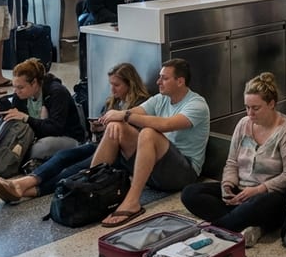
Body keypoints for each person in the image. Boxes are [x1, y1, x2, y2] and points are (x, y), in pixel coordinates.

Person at [0, 63, 149, 204]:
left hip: (119, 153)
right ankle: (22, 184)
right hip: (99, 143)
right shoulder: (113, 101)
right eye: (111, 84)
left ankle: (24, 189)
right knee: (62, 157)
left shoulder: (141, 104)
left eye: (117, 85)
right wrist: (97, 127)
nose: (112, 89)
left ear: (130, 84)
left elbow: (138, 136)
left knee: (72, 170)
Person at [180, 72, 286, 248]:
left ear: (271, 104)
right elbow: (232, 162)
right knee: (190, 193)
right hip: (242, 191)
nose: (250, 113)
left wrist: (258, 189)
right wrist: (228, 185)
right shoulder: (243, 124)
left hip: (270, 195)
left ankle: (217, 228)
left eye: (256, 108)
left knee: (259, 204)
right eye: (247, 107)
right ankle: (245, 225)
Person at [90, 58, 210, 227]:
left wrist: (123, 115)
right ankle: (91, 187)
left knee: (148, 133)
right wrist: (117, 119)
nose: (158, 82)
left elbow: (166, 125)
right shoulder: (160, 99)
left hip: (184, 174)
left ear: (180, 81)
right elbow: (132, 112)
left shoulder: (197, 104)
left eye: (164, 78)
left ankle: (132, 202)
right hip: (156, 169)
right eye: (159, 77)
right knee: (118, 127)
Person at [0, 58, 85, 161]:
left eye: (21, 87)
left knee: (39, 148)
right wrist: (5, 114)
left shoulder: (57, 93)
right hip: (38, 135)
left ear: (34, 83)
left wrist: (27, 118)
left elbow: (55, 128)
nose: (17, 91)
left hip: (66, 136)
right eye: (15, 87)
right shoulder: (20, 95)